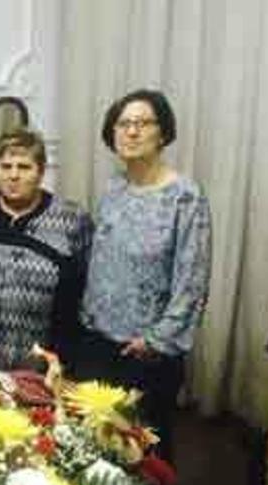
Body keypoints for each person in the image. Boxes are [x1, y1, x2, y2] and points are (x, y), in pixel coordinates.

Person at [77, 89, 212, 463]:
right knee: (93, 448)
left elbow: (193, 283)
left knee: (144, 453)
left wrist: (155, 340)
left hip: (146, 353)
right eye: (124, 124)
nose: (132, 132)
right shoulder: (113, 187)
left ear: (163, 132)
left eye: (143, 123)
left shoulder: (186, 197)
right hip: (97, 340)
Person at [0, 129, 93, 370]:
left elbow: (85, 293)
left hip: (38, 369)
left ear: (41, 171)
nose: (13, 175)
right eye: (5, 166)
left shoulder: (72, 219)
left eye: (24, 167)